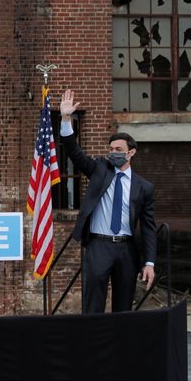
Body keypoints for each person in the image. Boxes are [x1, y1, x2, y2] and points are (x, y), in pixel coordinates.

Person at [59, 89, 157, 314]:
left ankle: (120, 348)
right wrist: (66, 118)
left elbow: (149, 228)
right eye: (111, 149)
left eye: (118, 150)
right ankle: (91, 346)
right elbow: (74, 152)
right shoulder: (99, 169)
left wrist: (149, 262)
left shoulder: (144, 187)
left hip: (126, 249)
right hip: (98, 246)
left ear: (131, 153)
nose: (113, 153)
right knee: (93, 305)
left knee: (123, 307)